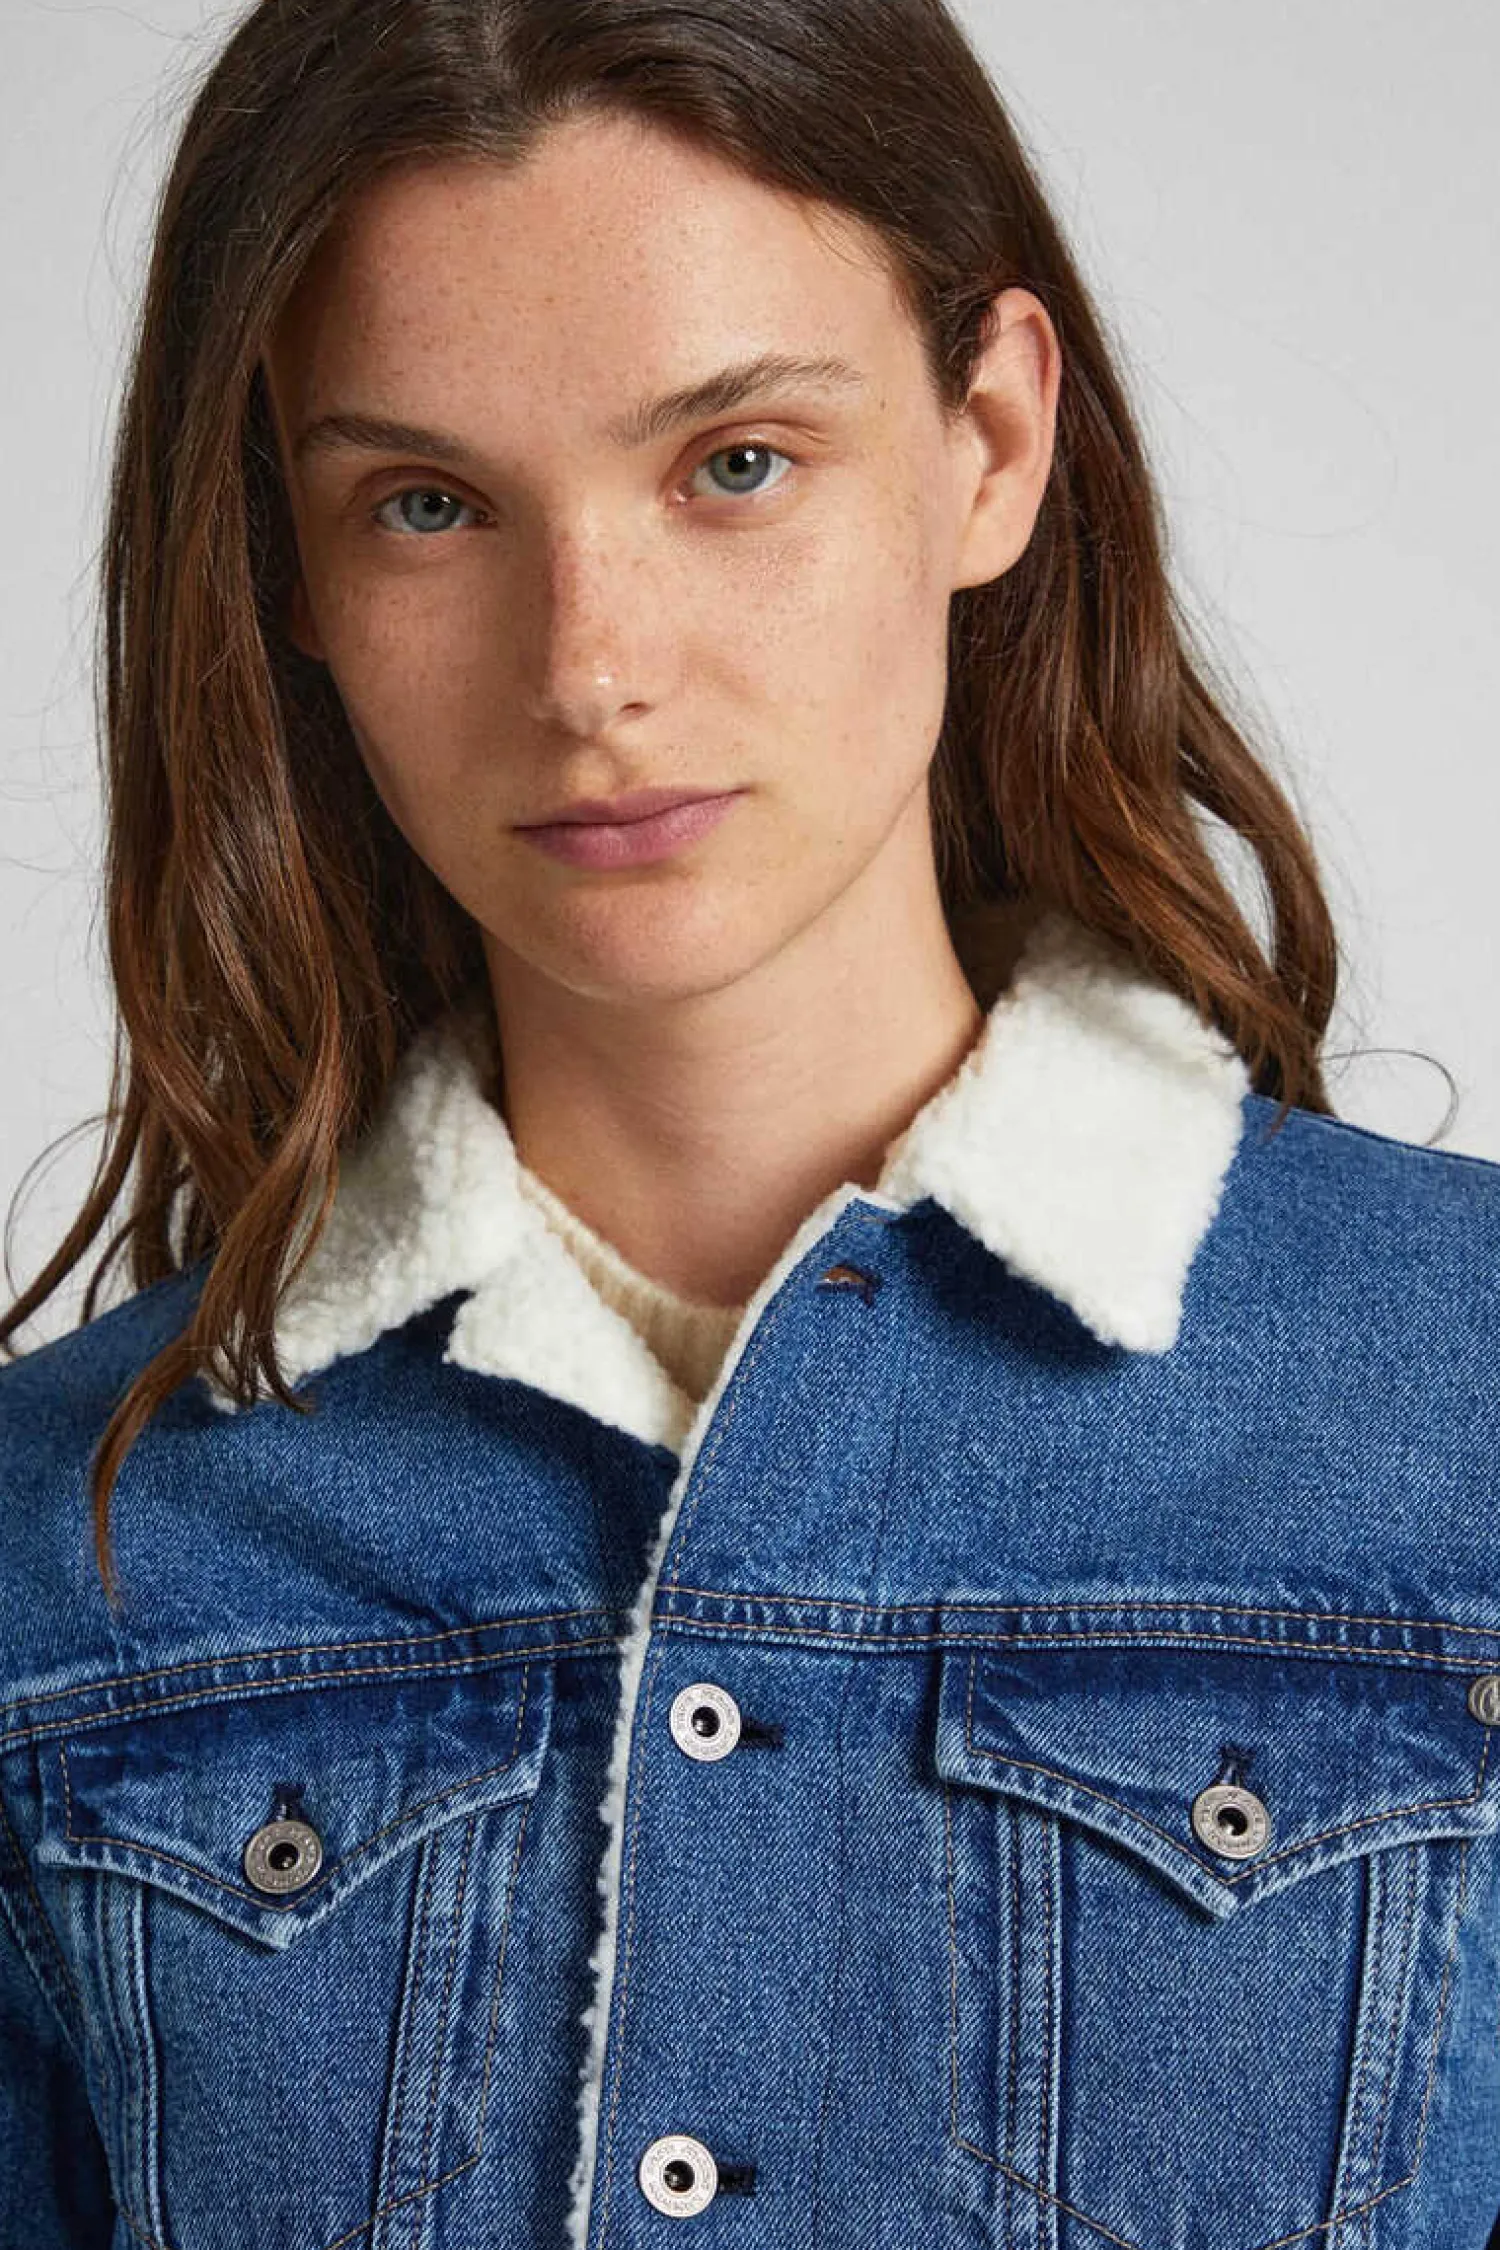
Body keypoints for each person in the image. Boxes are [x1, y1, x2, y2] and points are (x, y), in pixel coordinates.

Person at [2, 0, 1496, 2244]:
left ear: (991, 440)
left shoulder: (1465, 1397)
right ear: (290, 567)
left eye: (734, 464)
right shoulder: (63, 1557)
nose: (588, 667)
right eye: (429, 504)